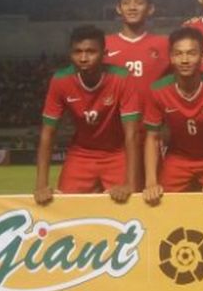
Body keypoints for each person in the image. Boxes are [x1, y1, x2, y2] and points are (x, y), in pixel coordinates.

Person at [34, 25, 140, 204]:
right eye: (78, 52)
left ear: (104, 53)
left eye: (91, 51)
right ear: (70, 53)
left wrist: (130, 183)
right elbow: (48, 133)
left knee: (128, 206)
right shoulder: (60, 80)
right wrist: (41, 184)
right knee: (66, 208)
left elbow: (132, 134)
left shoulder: (122, 78)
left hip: (116, 154)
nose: (83, 58)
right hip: (81, 154)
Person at [141, 27, 203, 206]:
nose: (185, 60)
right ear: (171, 57)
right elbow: (152, 138)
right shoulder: (157, 90)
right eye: (178, 54)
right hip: (178, 158)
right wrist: (151, 182)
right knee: (158, 203)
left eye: (191, 53)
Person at [104, 0, 169, 189]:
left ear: (150, 9)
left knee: (157, 194)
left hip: (154, 134)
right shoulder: (103, 46)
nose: (132, 7)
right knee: (120, 196)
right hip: (116, 138)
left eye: (139, 3)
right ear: (118, 8)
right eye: (127, 3)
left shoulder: (165, 45)